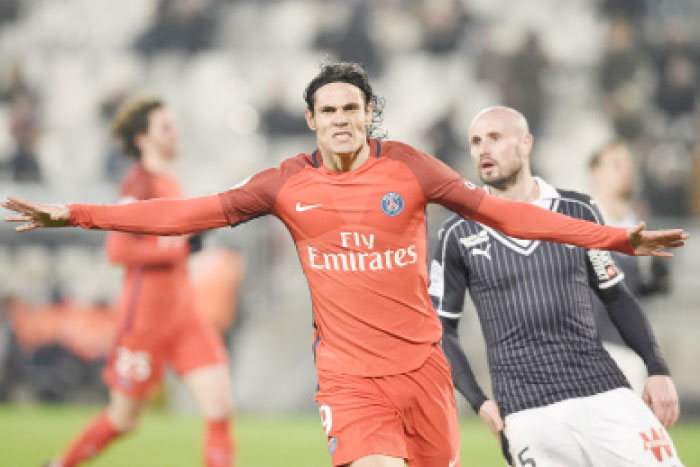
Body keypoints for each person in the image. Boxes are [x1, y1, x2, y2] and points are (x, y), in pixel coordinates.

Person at [2, 63, 688, 467]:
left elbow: (507, 213)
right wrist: (79, 213)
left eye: (352, 109)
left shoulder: (410, 167)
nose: (340, 120)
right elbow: (187, 214)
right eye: (328, 109)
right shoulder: (283, 184)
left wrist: (614, 240)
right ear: (309, 118)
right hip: (350, 380)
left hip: (423, 372)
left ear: (368, 115)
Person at [429, 106, 684, 466]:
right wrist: (478, 401)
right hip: (526, 409)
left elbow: (616, 296)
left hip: (604, 391)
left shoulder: (577, 210)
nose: (483, 149)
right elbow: (441, 328)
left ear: (525, 142)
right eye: (475, 141)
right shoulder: (458, 233)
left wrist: (657, 368)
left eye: (495, 138)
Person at [44, 98, 234, 467]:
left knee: (219, 405)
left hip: (184, 316)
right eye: (165, 127)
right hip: (144, 321)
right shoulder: (139, 183)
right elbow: (118, 250)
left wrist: (184, 242)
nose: (175, 131)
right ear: (142, 138)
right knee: (123, 419)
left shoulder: (171, 181)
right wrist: (178, 248)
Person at [589, 140, 670, 395]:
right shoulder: (581, 223)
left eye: (628, 165)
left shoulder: (642, 226)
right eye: (616, 164)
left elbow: (646, 289)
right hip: (584, 350)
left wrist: (657, 278)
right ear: (595, 173)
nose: (626, 171)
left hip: (626, 351)